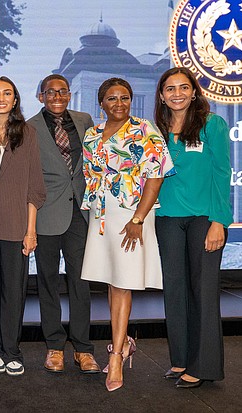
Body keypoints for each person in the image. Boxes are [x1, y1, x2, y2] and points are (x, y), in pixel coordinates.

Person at [80, 77, 174, 392]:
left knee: (122, 285)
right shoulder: (92, 134)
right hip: (102, 217)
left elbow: (156, 176)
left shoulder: (145, 130)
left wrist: (138, 218)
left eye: (124, 98)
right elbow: (92, 177)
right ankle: (122, 342)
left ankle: (117, 355)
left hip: (131, 216)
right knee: (111, 280)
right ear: (101, 103)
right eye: (111, 98)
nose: (118, 103)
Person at [154, 67, 232, 389]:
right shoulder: (154, 130)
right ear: (161, 95)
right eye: (170, 89)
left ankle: (203, 365)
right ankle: (182, 359)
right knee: (174, 291)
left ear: (194, 91)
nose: (177, 94)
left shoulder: (212, 124)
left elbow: (221, 173)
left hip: (204, 219)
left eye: (183, 87)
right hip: (167, 219)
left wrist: (219, 222)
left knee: (203, 293)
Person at [27, 74, 99, 374]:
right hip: (45, 215)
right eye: (50, 92)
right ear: (40, 95)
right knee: (48, 283)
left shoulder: (85, 121)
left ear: (69, 94)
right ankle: (54, 347)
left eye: (62, 91)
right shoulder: (29, 127)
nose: (57, 96)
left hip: (80, 214)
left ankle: (84, 349)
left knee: (81, 283)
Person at [0, 76, 46, 376]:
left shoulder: (27, 133)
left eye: (7, 93)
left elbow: (35, 186)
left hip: (17, 224)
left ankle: (11, 349)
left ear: (15, 99)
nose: (1, 99)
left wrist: (31, 230)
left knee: (13, 291)